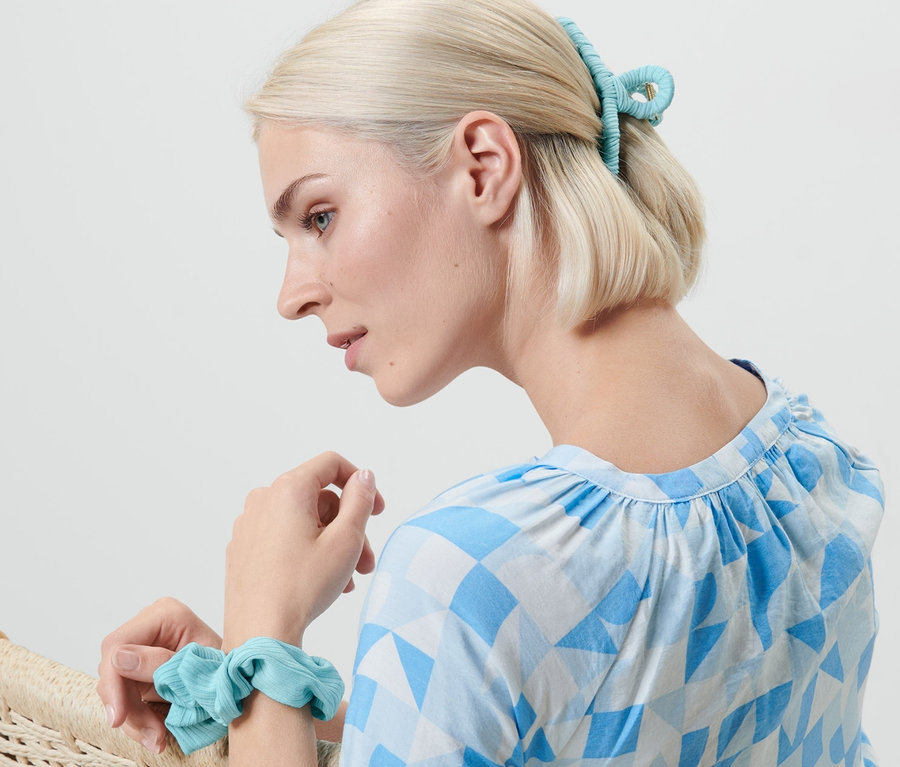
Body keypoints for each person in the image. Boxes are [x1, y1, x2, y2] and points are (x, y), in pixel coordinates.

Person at [96, 0, 884, 764]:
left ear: (483, 167)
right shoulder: (809, 459)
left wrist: (266, 634)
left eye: (320, 217)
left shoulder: (464, 574)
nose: (290, 293)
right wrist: (267, 687)